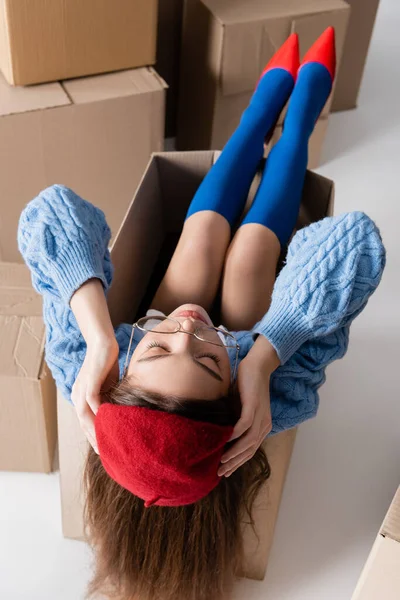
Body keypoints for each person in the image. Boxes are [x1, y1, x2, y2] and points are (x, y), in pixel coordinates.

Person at [18, 29, 385, 600]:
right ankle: (303, 109)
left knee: (203, 237)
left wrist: (99, 339)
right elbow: (354, 241)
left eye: (159, 348)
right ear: (229, 401)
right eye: (206, 363)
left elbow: (49, 212)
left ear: (121, 381)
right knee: (248, 263)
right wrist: (257, 360)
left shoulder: (93, 373)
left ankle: (261, 111)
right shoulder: (261, 404)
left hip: (159, 331)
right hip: (251, 336)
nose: (189, 327)